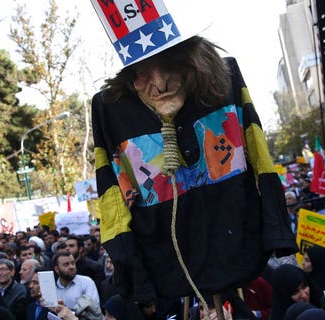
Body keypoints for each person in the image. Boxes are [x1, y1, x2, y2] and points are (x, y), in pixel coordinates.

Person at [90, 0, 296, 306]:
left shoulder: (225, 79)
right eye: (142, 73)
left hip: (238, 246)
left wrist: (275, 230)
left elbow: (259, 154)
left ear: (188, 59)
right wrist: (133, 270)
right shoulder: (108, 110)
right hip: (169, 266)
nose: (159, 85)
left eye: (168, 66)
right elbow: (111, 200)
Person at [52, 252, 101, 316]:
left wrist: (68, 313)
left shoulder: (86, 282)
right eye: (66, 264)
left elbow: (93, 309)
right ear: (57, 269)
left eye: (73, 263)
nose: (71, 267)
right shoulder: (53, 288)